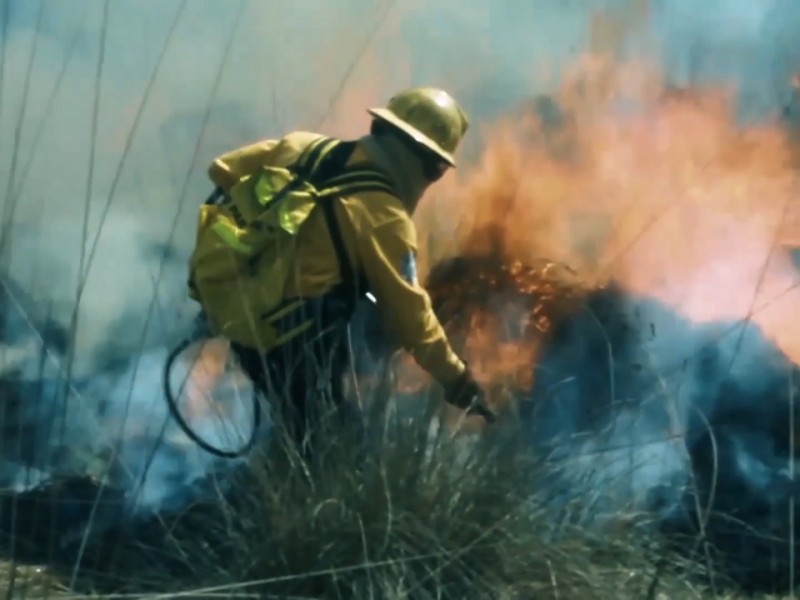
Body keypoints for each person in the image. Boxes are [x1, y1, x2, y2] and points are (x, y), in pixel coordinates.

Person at [199, 87, 495, 459]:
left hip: (240, 317)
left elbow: (221, 170)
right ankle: (279, 506)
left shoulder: (302, 145)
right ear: (426, 162)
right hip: (294, 343)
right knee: (334, 449)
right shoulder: (385, 217)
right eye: (437, 168)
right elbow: (411, 318)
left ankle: (274, 477)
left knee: (298, 430)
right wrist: (457, 380)